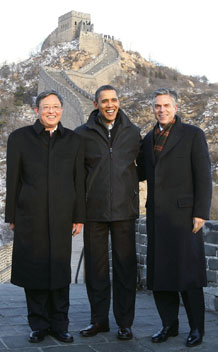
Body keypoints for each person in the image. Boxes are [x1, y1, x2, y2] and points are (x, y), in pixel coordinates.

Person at [5, 90, 85, 344]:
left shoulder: (74, 140)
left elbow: (79, 181)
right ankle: (38, 325)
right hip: (30, 215)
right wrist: (12, 216)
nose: (51, 111)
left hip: (62, 216)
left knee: (60, 271)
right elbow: (13, 179)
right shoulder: (19, 138)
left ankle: (60, 325)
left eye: (56, 106)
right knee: (34, 270)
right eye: (46, 107)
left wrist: (78, 216)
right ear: (37, 110)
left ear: (62, 110)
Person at [137, 88, 212, 347]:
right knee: (161, 276)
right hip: (157, 217)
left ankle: (196, 329)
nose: (162, 110)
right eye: (158, 106)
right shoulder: (148, 139)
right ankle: (168, 325)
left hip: (183, 217)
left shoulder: (193, 135)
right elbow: (140, 171)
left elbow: (203, 176)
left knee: (188, 276)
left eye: (166, 105)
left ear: (175, 108)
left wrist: (201, 212)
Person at [75, 85, 141, 340]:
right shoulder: (82, 135)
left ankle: (125, 323)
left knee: (125, 270)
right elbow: (77, 176)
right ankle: (98, 320)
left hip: (125, 211)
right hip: (94, 213)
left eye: (113, 100)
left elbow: (143, 168)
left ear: (119, 102)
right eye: (104, 101)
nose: (110, 105)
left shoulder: (133, 133)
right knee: (96, 270)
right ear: (96, 105)